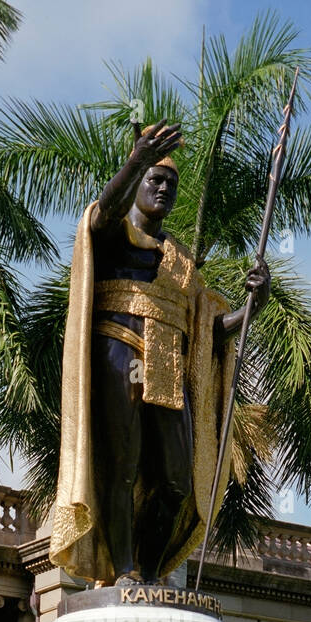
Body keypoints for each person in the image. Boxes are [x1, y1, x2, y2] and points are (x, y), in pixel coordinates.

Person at [50, 120, 270, 586]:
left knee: (176, 482)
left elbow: (210, 330)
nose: (164, 188)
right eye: (156, 179)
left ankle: (150, 571)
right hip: (119, 350)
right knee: (121, 467)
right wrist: (137, 160)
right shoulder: (113, 231)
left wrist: (253, 306)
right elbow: (100, 216)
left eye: (171, 182)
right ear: (137, 182)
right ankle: (125, 570)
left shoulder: (180, 258)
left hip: (170, 364)